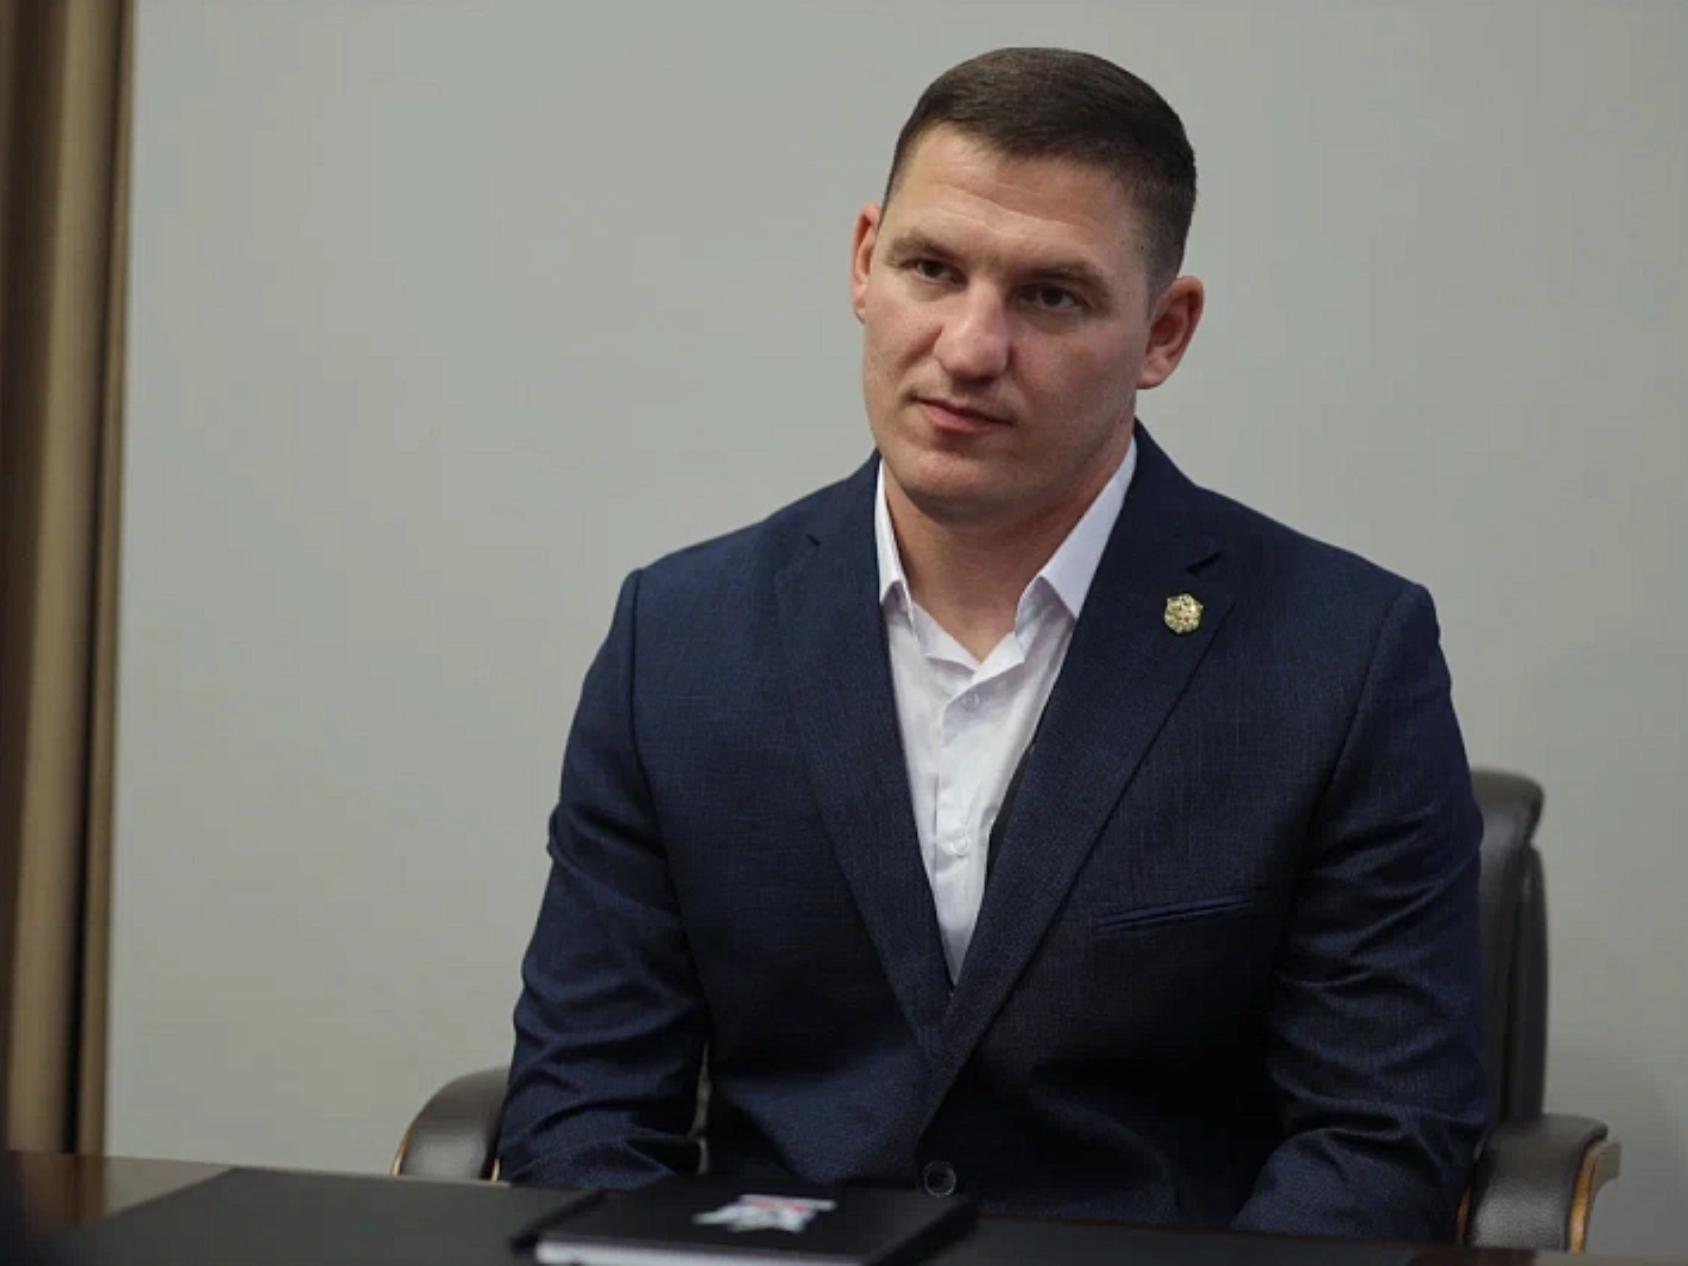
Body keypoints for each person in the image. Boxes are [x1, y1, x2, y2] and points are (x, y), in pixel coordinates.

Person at [499, 47, 1487, 1241]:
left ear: (1163, 332)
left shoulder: (1338, 657)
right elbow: (586, 1106)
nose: (968, 349)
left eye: (1049, 296)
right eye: (930, 269)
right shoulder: (680, 640)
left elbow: (1375, 1137)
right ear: (864, 262)